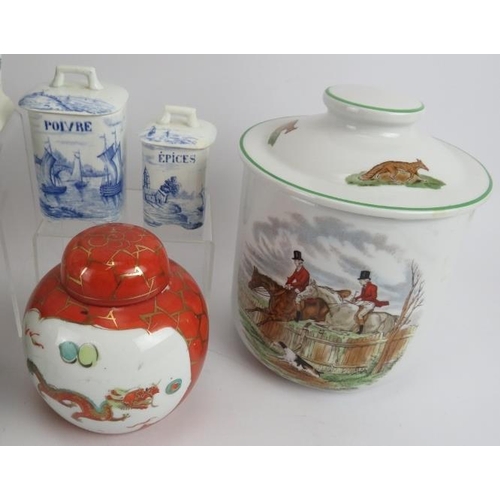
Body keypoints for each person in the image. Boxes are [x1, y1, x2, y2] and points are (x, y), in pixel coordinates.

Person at [285, 250, 316, 321]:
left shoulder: (306, 273)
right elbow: (291, 277)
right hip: (298, 287)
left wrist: (291, 285)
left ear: (300, 262)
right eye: (295, 260)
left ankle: (298, 315)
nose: (295, 262)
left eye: (296, 261)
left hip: (305, 289)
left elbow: (301, 283)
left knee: (298, 298)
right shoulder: (297, 270)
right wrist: (287, 283)